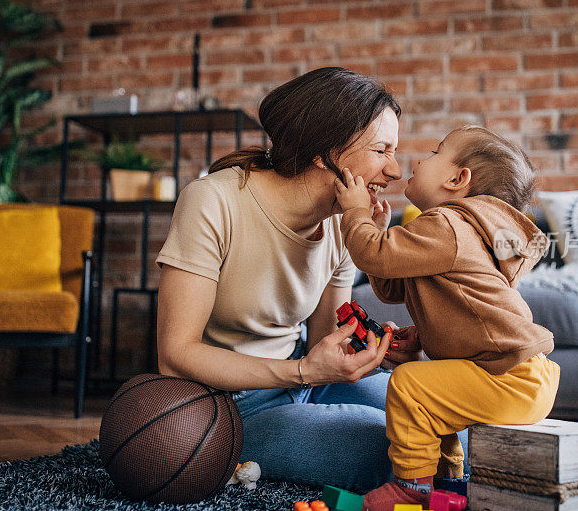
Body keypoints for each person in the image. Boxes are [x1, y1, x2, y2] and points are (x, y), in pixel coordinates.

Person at [155, 67, 423, 492]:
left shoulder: (341, 223)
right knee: (392, 451)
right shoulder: (213, 200)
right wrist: (302, 371)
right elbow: (174, 355)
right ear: (323, 152)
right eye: (382, 150)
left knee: (445, 431)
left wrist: (371, 348)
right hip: (228, 405)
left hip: (306, 379)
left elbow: (322, 339)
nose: (393, 170)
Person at [333, 125, 561, 511]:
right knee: (435, 404)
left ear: (457, 179)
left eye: (436, 153)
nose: (420, 160)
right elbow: (392, 287)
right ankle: (448, 483)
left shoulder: (448, 225)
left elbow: (374, 256)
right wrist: (424, 333)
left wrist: (357, 213)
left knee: (409, 385)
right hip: (517, 374)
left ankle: (412, 490)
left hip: (509, 376)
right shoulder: (453, 231)